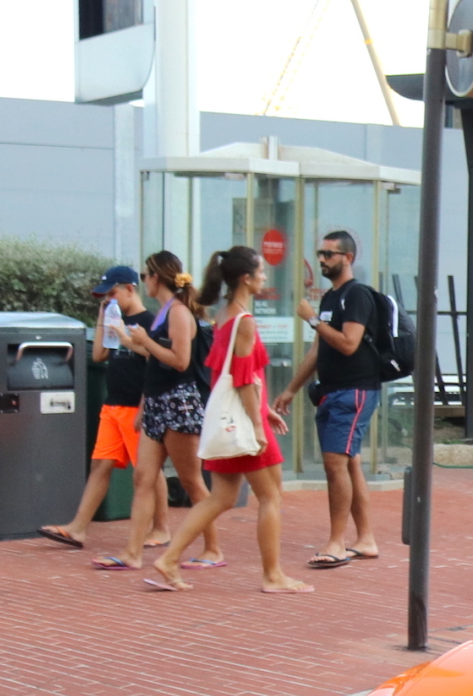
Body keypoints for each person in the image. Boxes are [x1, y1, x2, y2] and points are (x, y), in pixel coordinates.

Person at [146, 246, 309, 595]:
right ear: (246, 279)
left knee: (219, 497)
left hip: (224, 419)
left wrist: (261, 408)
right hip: (244, 423)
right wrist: (256, 422)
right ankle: (272, 575)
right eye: (262, 272)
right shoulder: (244, 322)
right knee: (271, 497)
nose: (266, 277)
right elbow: (244, 379)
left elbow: (233, 374)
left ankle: (170, 558)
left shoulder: (224, 316)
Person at [101, 252, 220, 574]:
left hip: (179, 403)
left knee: (192, 481)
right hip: (157, 402)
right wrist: (132, 342)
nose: (143, 282)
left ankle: (213, 547)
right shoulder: (162, 313)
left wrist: (145, 343)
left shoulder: (179, 313)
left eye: (145, 275)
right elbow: (156, 355)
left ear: (157, 277)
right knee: (143, 477)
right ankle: (132, 552)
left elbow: (180, 360)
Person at [277, 229, 385, 569]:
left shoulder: (356, 296)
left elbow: (349, 343)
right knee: (348, 462)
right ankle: (365, 539)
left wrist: (311, 319)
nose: (322, 260)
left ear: (348, 258)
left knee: (335, 463)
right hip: (332, 390)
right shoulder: (329, 299)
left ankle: (337, 542)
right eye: (320, 254)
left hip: (354, 391)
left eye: (330, 254)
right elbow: (319, 349)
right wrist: (291, 388)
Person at [39, 265, 149, 550]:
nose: (109, 300)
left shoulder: (148, 321)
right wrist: (103, 316)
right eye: (104, 297)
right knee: (100, 463)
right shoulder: (115, 319)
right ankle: (78, 529)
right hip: (113, 404)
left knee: (147, 470)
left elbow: (156, 362)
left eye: (112, 294)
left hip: (135, 405)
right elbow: (99, 354)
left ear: (129, 289)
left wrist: (144, 406)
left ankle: (160, 527)